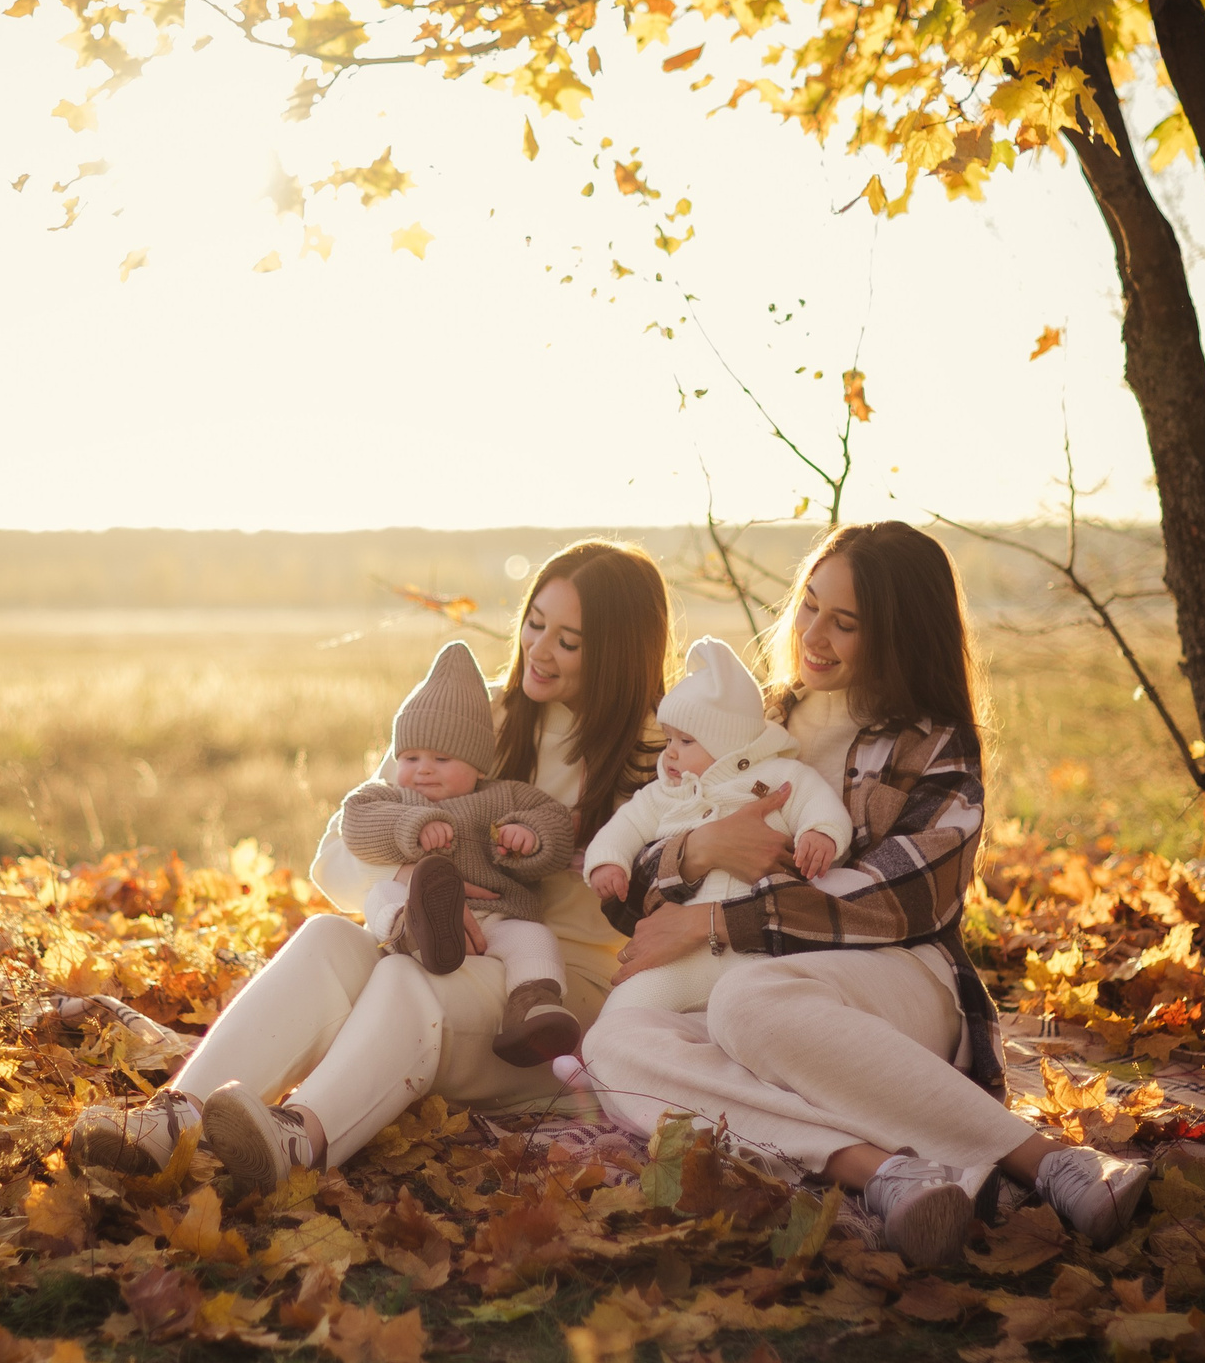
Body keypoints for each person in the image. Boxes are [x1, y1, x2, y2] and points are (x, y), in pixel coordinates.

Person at [579, 522, 1148, 1270]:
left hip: (896, 977)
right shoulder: (749, 720)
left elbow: (898, 898)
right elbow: (635, 879)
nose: (812, 635)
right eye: (810, 605)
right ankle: (885, 1175)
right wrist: (705, 849)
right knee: (612, 1043)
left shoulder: (933, 744)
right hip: (738, 979)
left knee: (749, 1001)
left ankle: (1049, 1163)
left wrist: (717, 921)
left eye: (844, 623)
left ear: (897, 637)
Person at [67, 539, 670, 1193]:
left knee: (408, 980)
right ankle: (173, 1119)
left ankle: (298, 1138)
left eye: (568, 641)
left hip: (549, 1001)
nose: (539, 649)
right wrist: (406, 881)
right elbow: (336, 857)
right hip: (439, 948)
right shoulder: (471, 714)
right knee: (329, 937)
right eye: (534, 624)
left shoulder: (661, 754)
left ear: (617, 653)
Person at [580, 635, 850, 1021]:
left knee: (758, 1016)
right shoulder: (665, 792)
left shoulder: (780, 775)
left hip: (757, 946)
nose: (670, 752)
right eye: (668, 738)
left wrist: (819, 833)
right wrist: (609, 861)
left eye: (686, 740)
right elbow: (626, 824)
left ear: (731, 743)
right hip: (682, 948)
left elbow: (816, 801)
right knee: (627, 1008)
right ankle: (608, 1047)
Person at [338, 641, 582, 1065]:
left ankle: (533, 1006)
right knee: (381, 895)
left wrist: (528, 836)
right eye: (410, 757)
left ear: (479, 766)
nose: (423, 768)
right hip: (421, 909)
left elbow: (556, 820)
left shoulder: (504, 796)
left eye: (441, 757)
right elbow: (356, 819)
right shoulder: (394, 797)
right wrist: (411, 826)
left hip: (500, 918)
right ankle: (413, 932)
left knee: (535, 939)